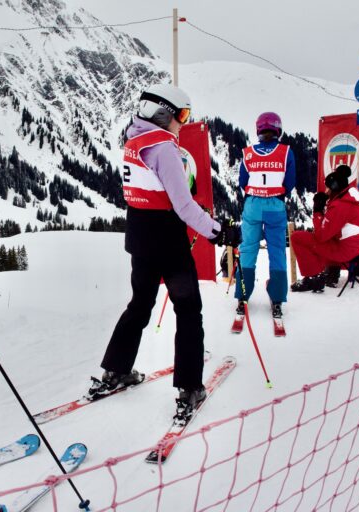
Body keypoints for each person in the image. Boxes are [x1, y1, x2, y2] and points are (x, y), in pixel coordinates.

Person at [90, 83, 240, 418]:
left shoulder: (133, 141)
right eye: (182, 114)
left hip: (140, 239)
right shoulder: (164, 148)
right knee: (188, 311)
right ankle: (189, 388)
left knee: (140, 305)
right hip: (169, 242)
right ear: (163, 113)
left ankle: (115, 370)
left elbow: (146, 191)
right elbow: (184, 206)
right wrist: (219, 232)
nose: (184, 122)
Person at [234, 112, 296, 319]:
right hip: (275, 204)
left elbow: (242, 181)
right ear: (278, 129)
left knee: (248, 249)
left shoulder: (248, 153)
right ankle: (277, 298)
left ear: (258, 129)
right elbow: (290, 182)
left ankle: (243, 296)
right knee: (277, 250)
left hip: (252, 204)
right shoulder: (286, 152)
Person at [290, 164, 359, 292]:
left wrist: (318, 211)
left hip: (349, 251)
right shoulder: (354, 197)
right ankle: (331, 274)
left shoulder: (341, 206)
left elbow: (321, 235)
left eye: (328, 187)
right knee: (331, 238)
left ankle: (313, 278)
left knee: (298, 238)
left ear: (335, 187)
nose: (326, 190)